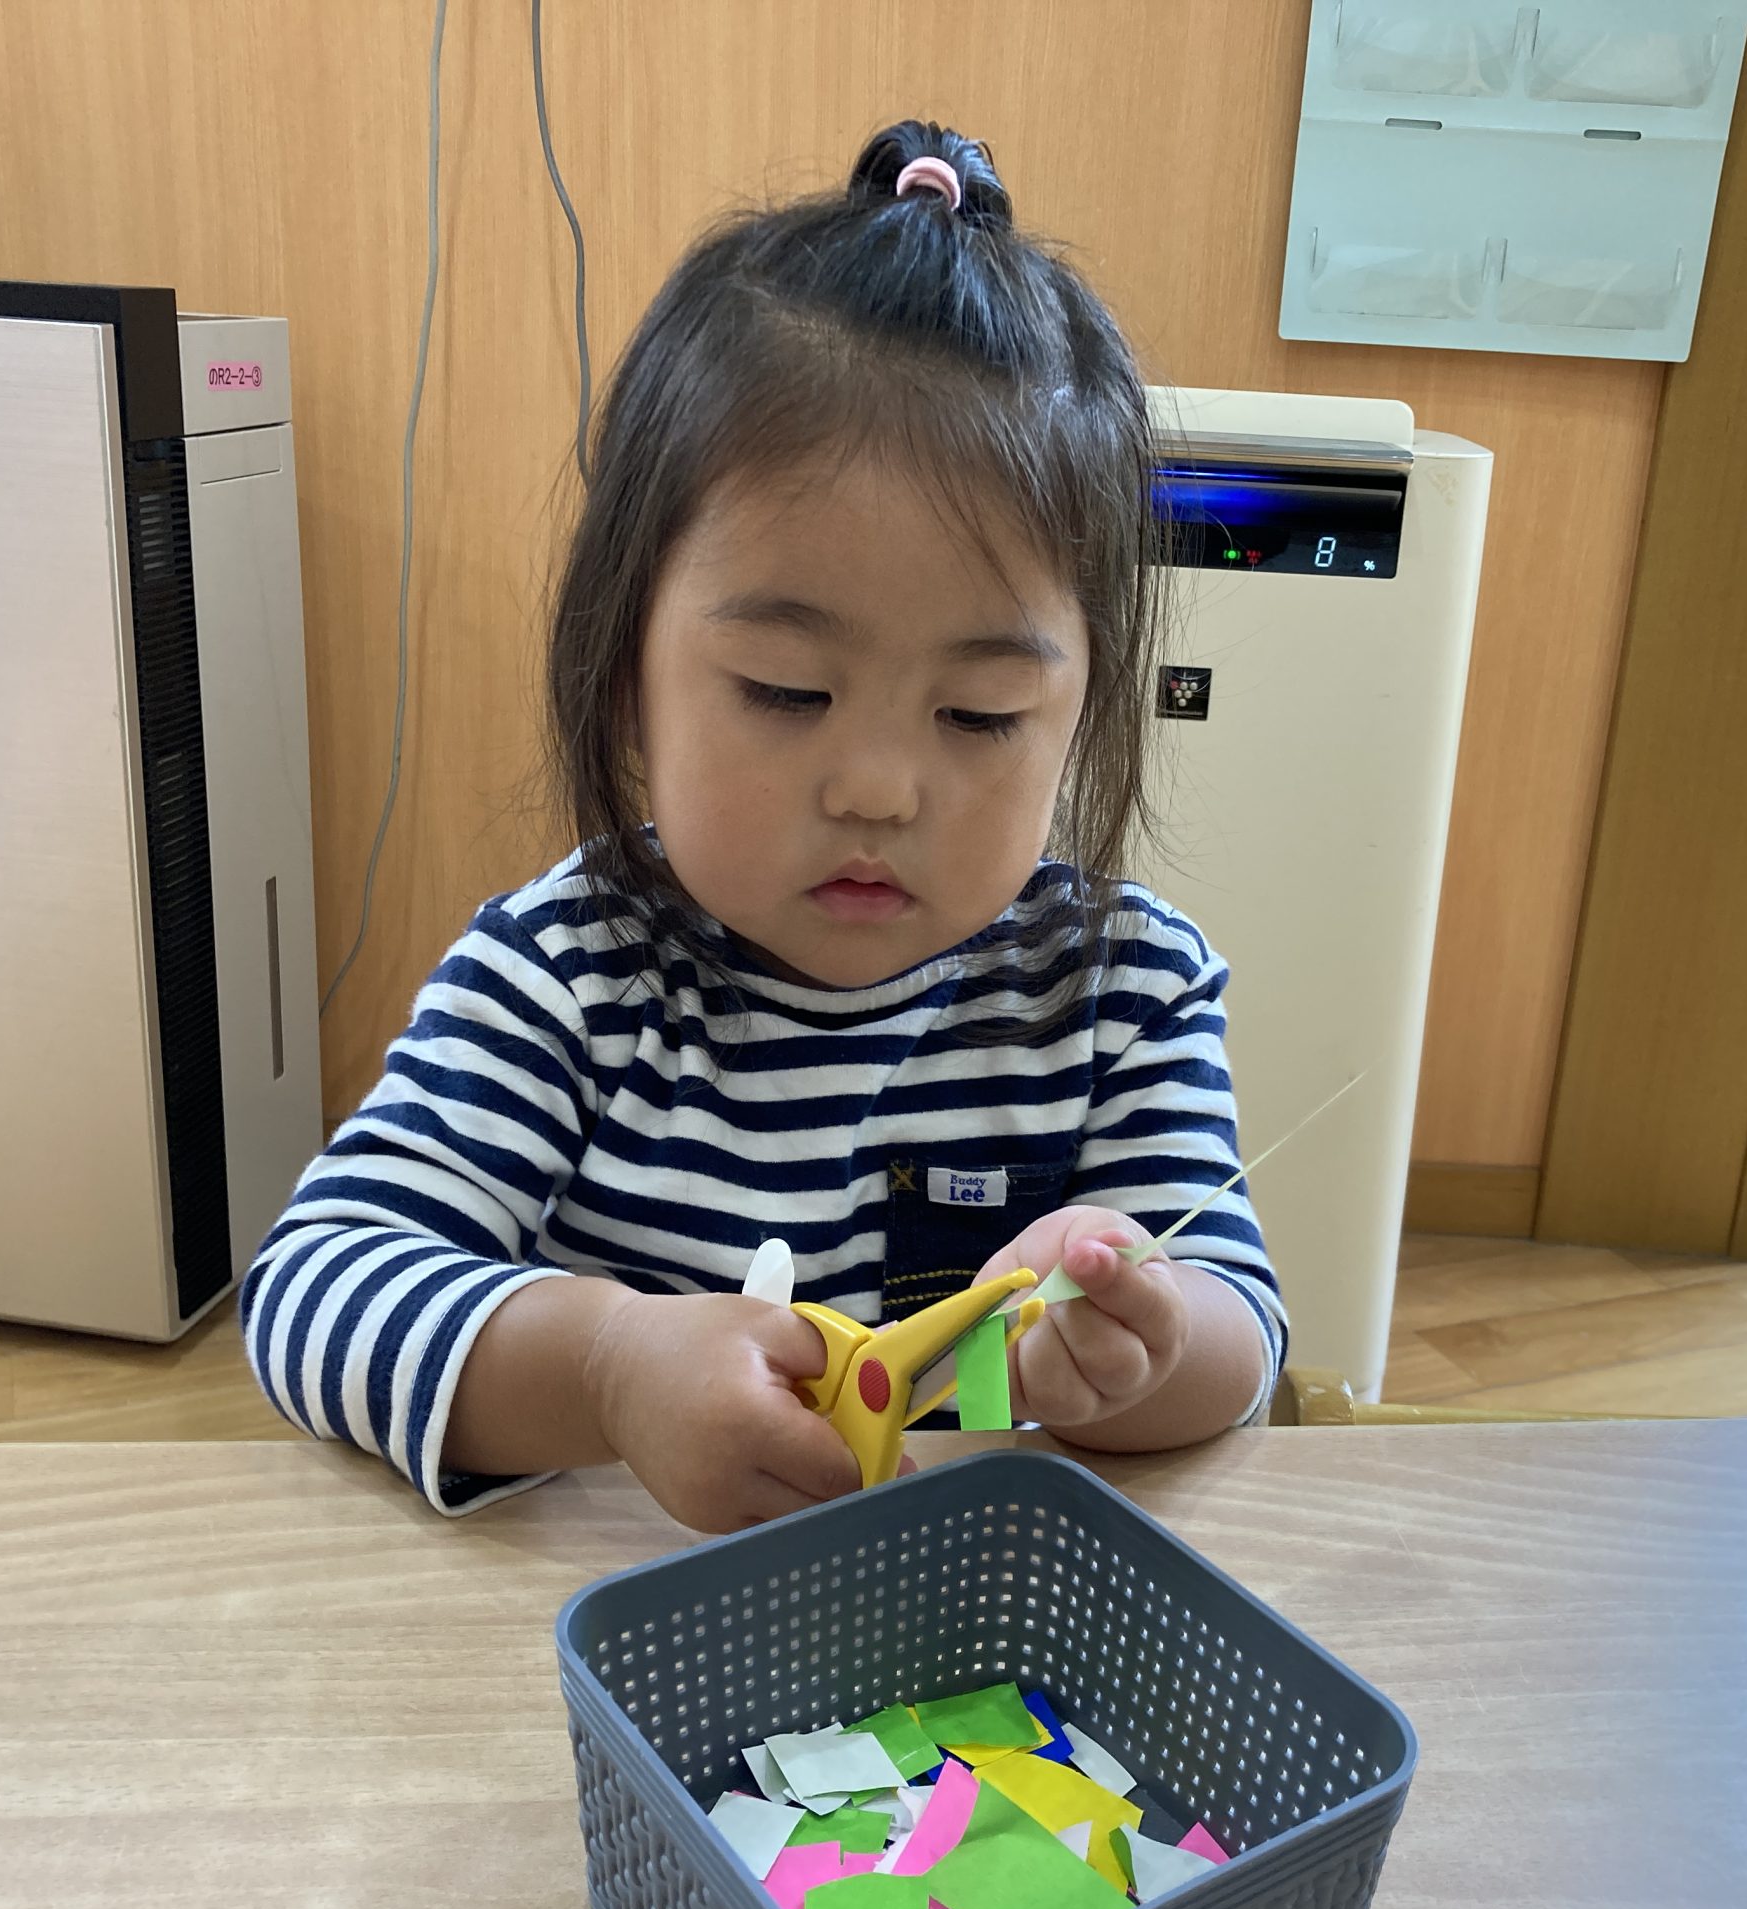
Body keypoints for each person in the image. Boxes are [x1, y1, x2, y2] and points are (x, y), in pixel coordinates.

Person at [244, 120, 1284, 1532]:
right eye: (789, 691)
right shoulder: (569, 979)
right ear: (627, 670)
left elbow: (1239, 1332)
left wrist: (1136, 1346)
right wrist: (606, 1368)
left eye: (979, 714)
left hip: (961, 1619)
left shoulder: (1118, 994)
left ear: (1081, 707)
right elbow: (314, 1285)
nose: (878, 789)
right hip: (632, 1615)